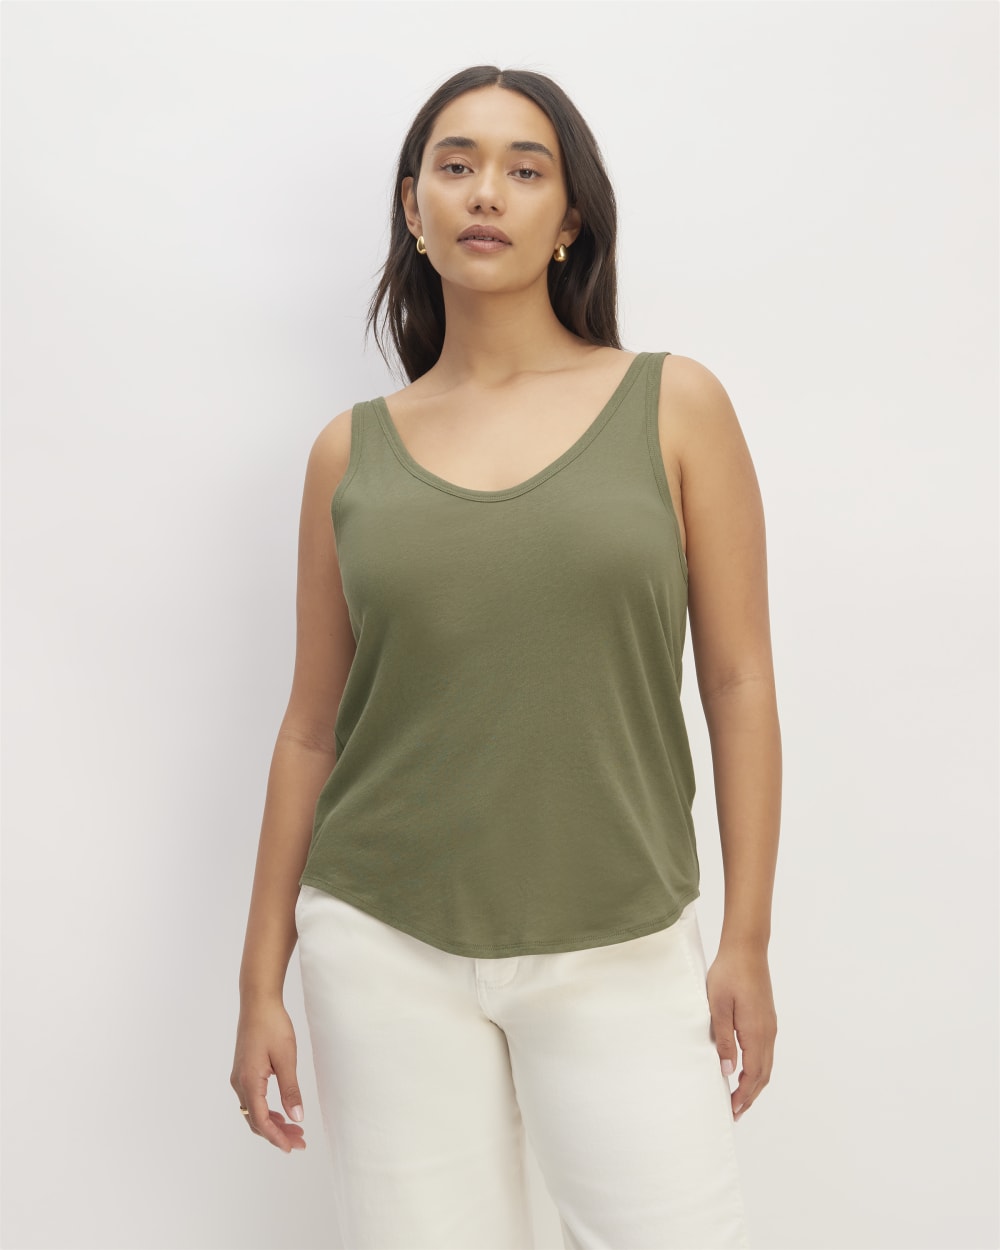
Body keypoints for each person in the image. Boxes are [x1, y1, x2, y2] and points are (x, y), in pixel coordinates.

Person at [230, 64, 780, 1250]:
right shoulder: (347, 454)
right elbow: (311, 728)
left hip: (619, 933)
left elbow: (737, 681)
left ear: (568, 215)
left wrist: (746, 934)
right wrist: (258, 979)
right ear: (413, 206)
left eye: (525, 170)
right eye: (456, 164)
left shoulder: (674, 404)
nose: (487, 192)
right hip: (381, 940)